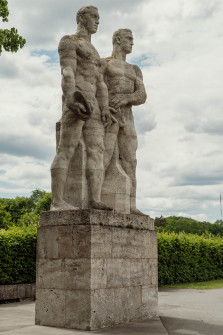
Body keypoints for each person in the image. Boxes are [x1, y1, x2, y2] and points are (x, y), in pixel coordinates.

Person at [50, 6, 113, 211]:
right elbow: (67, 71)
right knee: (66, 149)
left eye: (98, 17)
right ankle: (57, 201)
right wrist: (70, 99)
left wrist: (104, 107)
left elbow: (101, 83)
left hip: (94, 105)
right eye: (94, 16)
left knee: (97, 150)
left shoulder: (95, 52)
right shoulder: (69, 40)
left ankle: (94, 199)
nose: (97, 21)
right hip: (78, 100)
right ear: (81, 17)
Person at [102, 29, 147, 215]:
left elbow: (142, 95)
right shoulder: (105, 64)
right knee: (103, 156)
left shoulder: (134, 69)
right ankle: (95, 199)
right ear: (118, 39)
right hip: (109, 116)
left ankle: (131, 205)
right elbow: (98, 88)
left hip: (127, 118)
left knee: (131, 161)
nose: (132, 43)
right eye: (129, 38)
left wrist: (126, 98)